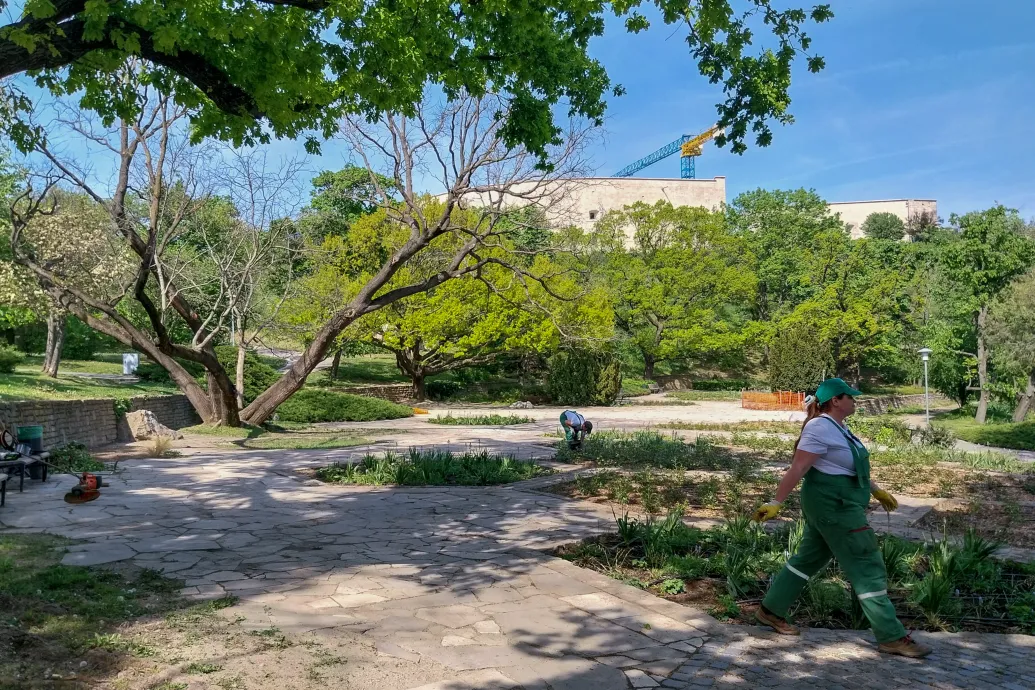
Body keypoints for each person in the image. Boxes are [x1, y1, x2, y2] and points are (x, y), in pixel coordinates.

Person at [751, 378, 932, 658]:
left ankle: (770, 611)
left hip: (840, 503)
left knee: (809, 558)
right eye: (850, 396)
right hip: (834, 506)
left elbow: (846, 466)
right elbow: (798, 467)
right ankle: (891, 636)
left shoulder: (839, 427)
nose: (855, 400)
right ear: (835, 400)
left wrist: (876, 490)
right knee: (865, 562)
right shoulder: (820, 427)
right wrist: (776, 502)